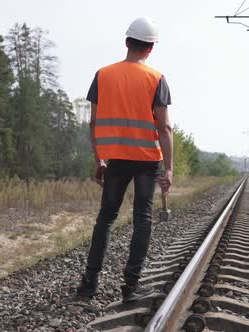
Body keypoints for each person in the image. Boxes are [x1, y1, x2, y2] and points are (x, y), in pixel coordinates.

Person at [76, 17, 173, 303]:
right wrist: (169, 169)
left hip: (115, 158)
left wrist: (98, 159)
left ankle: (88, 286)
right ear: (150, 49)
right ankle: (131, 287)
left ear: (127, 42)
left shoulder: (102, 74)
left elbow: (93, 122)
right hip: (146, 159)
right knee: (142, 218)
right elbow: (164, 128)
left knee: (105, 219)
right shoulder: (156, 79)